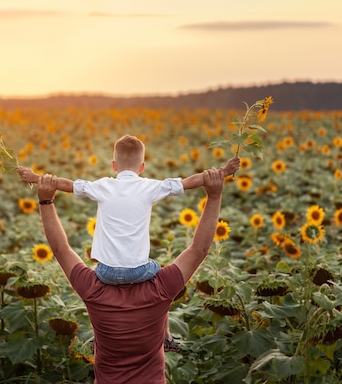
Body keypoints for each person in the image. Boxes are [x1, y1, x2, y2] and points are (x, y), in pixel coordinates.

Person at [19, 135, 239, 350]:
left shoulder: (102, 186)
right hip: (140, 271)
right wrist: (222, 173)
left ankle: (101, 336)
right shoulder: (149, 186)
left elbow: (65, 185)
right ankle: (167, 337)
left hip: (105, 273)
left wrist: (36, 177)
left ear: (114, 165)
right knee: (160, 276)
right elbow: (188, 183)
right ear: (142, 167)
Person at [35, 164, 230, 383]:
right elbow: (199, 249)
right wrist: (214, 197)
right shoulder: (161, 288)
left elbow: (61, 249)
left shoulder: (93, 289)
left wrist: (46, 201)